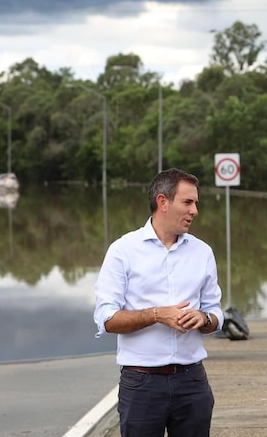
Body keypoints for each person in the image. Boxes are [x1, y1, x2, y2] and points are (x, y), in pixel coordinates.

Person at [93, 168, 224, 437]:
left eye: (196, 203)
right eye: (188, 202)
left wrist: (204, 318)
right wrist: (156, 314)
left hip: (192, 381)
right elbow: (106, 319)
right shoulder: (123, 251)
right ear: (163, 202)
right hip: (141, 384)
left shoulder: (203, 252)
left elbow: (215, 314)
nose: (195, 211)